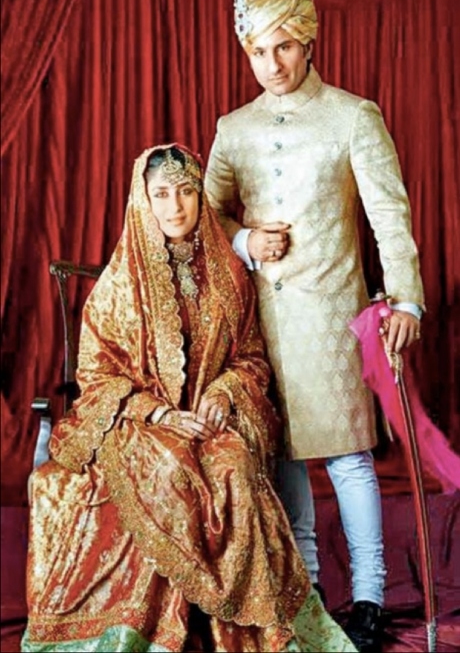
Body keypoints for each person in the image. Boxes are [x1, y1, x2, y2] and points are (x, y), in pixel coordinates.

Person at [21, 143, 357, 653]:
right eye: (161, 194)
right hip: (138, 423)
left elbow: (251, 357)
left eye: (185, 192)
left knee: (233, 465)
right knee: (171, 467)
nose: (175, 206)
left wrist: (224, 391)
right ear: (144, 200)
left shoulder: (229, 276)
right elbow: (96, 372)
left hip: (210, 421)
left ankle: (248, 626)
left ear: (201, 196)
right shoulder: (121, 281)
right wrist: (157, 411)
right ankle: (153, 627)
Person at [205, 0, 425, 652]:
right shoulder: (233, 128)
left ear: (308, 42)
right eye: (258, 52)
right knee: (283, 460)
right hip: (258, 322)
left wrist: (407, 301)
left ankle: (369, 598)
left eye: (284, 48)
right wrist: (244, 241)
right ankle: (309, 596)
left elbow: (389, 217)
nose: (271, 65)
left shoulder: (352, 116)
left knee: (349, 459)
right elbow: (204, 219)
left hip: (333, 319)